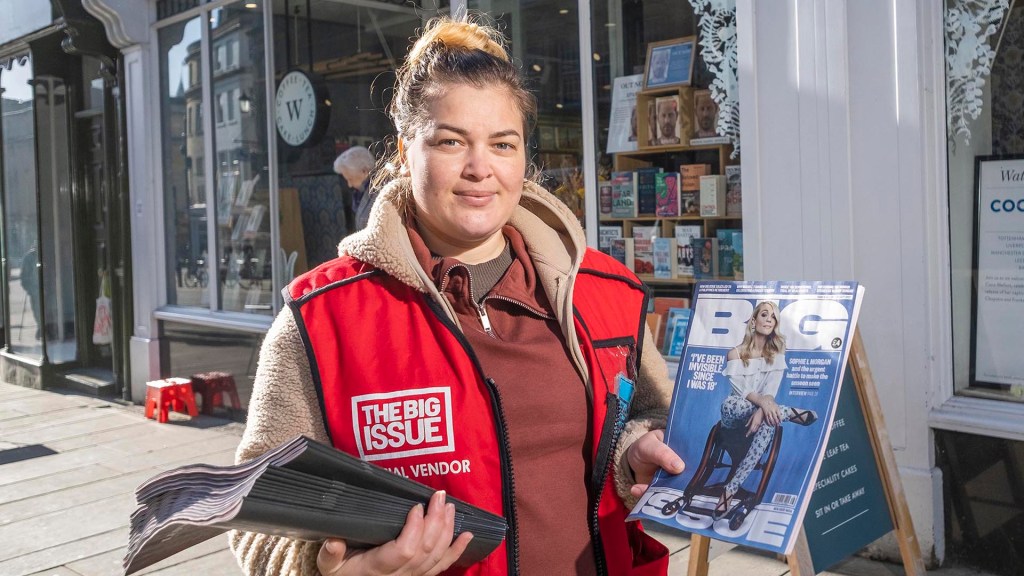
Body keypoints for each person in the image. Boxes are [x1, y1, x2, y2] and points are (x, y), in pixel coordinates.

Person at [230, 14, 683, 576]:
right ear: (403, 150)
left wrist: (637, 451)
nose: (480, 168)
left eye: (502, 143)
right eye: (451, 141)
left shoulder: (604, 293)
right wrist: (338, 570)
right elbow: (256, 520)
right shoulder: (321, 321)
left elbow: (646, 417)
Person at [714, 301, 817, 518]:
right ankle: (789, 412)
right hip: (734, 415)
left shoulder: (776, 356)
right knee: (738, 404)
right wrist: (763, 404)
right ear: (754, 320)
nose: (769, 319)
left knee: (771, 421)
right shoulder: (734, 354)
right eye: (764, 314)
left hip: (759, 417)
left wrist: (762, 410)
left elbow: (770, 391)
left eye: (774, 317)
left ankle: (730, 489)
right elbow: (740, 389)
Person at [333, 145, 376, 232]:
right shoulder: (360, 194)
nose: (349, 185)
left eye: (350, 179)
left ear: (364, 171)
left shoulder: (380, 192)